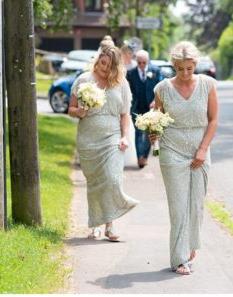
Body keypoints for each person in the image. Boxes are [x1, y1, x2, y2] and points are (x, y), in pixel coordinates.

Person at [150, 41, 219, 275]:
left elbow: (213, 120)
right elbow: (157, 120)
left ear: (195, 65)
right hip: (172, 151)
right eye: (180, 69)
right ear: (174, 66)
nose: (185, 73)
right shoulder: (162, 88)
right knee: (178, 206)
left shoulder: (208, 85)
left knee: (196, 206)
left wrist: (202, 149)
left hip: (200, 150)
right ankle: (179, 258)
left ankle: (189, 245)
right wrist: (153, 133)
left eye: (189, 68)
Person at [68, 45, 140, 241]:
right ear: (98, 59)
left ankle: (110, 225)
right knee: (95, 184)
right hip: (88, 139)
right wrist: (79, 112)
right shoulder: (83, 80)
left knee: (112, 179)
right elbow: (71, 109)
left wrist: (125, 136)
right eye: (102, 63)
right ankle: (95, 225)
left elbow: (124, 114)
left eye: (109, 66)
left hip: (112, 138)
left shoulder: (121, 84)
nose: (104, 68)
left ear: (116, 67)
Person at [127, 50, 163, 168]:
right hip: (136, 107)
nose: (142, 65)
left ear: (147, 61)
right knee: (138, 132)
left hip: (150, 108)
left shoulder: (155, 71)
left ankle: (145, 157)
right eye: (139, 63)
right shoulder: (131, 73)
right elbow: (128, 90)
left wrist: (155, 101)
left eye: (144, 62)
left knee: (149, 132)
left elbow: (161, 88)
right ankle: (139, 157)